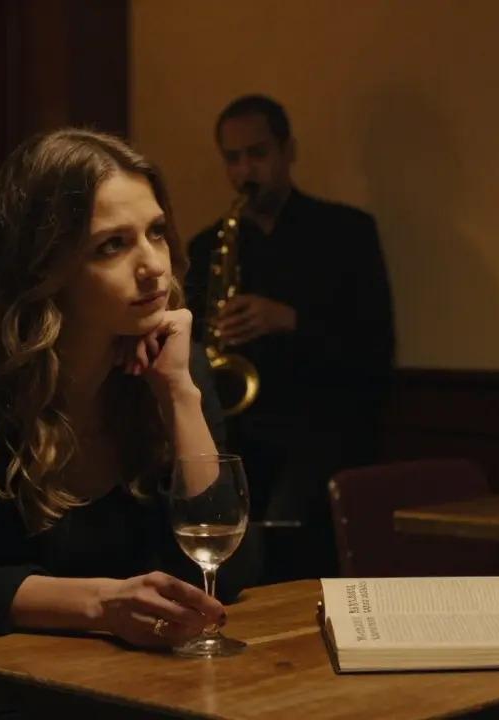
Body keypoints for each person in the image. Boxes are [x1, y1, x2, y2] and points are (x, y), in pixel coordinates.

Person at [0, 128, 261, 719]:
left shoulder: (170, 352)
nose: (153, 268)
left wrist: (178, 395)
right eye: (112, 245)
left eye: (157, 232)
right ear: (45, 265)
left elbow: (234, 569)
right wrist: (104, 604)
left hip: (115, 688)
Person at [184, 94, 396, 583]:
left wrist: (291, 321)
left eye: (257, 154)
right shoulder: (206, 246)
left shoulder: (348, 233)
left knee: (287, 542)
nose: (244, 171)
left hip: (324, 437)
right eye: (232, 159)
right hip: (241, 441)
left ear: (288, 150)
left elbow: (376, 352)